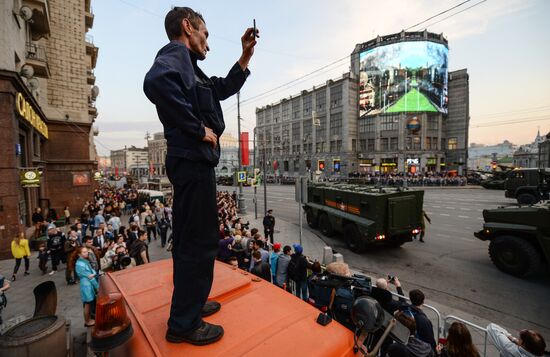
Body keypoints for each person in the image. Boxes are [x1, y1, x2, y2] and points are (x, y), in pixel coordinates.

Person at [143, 5, 256, 345]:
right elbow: (155, 82)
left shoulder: (191, 68)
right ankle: (183, 324)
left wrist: (245, 55)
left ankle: (191, 305)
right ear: (188, 27)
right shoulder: (174, 56)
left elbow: (221, 87)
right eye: (205, 35)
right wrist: (197, 128)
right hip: (192, 160)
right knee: (197, 241)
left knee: (199, 237)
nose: (208, 43)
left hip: (195, 163)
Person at [74, 247, 98, 327]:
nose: (86, 253)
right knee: (87, 304)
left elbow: (92, 272)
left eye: (87, 252)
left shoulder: (83, 261)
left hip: (87, 284)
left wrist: (93, 273)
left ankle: (88, 319)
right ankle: (87, 321)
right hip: (86, 286)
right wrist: (97, 287)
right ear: (79, 254)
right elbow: (90, 275)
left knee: (88, 304)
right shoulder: (80, 264)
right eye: (84, 252)